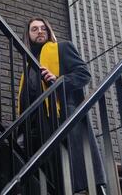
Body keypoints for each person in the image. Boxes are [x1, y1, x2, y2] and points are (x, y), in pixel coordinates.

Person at [17, 17, 106, 194]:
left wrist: (58, 81)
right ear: (28, 35)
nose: (40, 31)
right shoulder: (29, 65)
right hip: (37, 127)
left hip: (61, 118)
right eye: (34, 29)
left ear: (49, 32)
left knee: (74, 175)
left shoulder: (62, 48)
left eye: (43, 28)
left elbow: (83, 74)